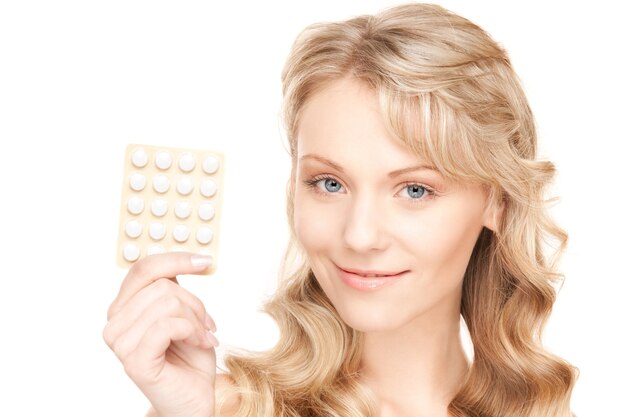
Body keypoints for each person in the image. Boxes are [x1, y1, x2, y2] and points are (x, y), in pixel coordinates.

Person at [103, 3, 578, 416]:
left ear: (498, 200)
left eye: (414, 190)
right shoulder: (222, 409)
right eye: (329, 183)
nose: (360, 235)